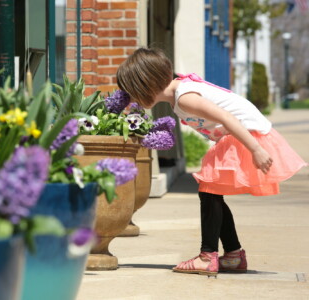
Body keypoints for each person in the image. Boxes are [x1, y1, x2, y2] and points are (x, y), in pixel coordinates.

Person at [116, 47, 307, 277]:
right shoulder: (181, 92)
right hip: (237, 136)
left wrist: (255, 149)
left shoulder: (185, 97)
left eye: (132, 92)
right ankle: (233, 255)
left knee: (209, 191)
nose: (131, 98)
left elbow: (228, 117)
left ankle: (208, 257)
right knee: (210, 192)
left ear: (146, 85)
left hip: (246, 136)